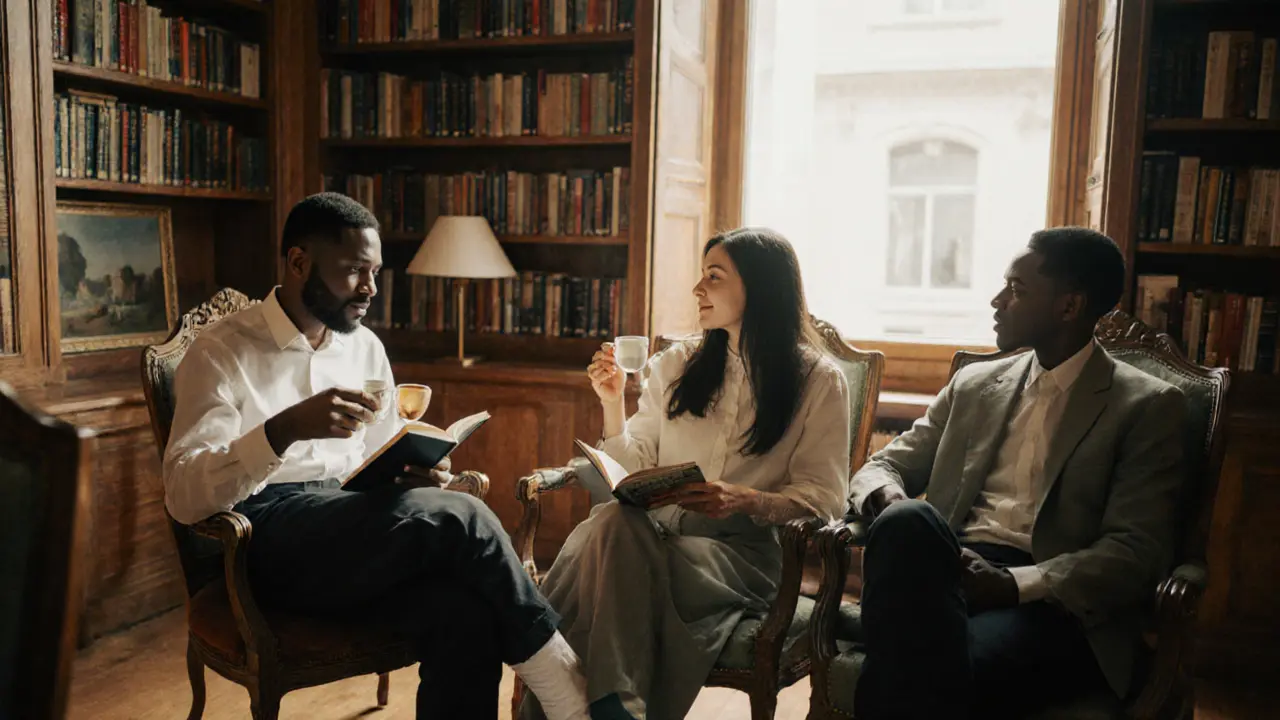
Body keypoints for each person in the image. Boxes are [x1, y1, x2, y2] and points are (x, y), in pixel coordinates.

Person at [162, 193, 592, 720]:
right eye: (354, 272)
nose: (370, 289)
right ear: (299, 262)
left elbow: (377, 453)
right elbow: (184, 496)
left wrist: (417, 471)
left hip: (352, 532)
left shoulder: (362, 346)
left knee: (466, 616)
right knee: (464, 517)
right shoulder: (221, 351)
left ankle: (561, 689)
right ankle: (572, 694)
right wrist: (284, 429)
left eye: (376, 272)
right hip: (265, 541)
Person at [847, 227, 1187, 719]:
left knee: (916, 663)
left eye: (1017, 289)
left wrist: (1012, 584)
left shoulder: (1146, 407)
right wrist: (894, 502)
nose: (996, 300)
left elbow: (1132, 554)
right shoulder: (974, 383)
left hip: (1050, 602)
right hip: (948, 567)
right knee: (906, 523)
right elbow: (880, 468)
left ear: (1069, 307)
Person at [522, 228, 853, 720]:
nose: (698, 290)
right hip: (651, 537)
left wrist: (744, 499)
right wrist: (612, 403)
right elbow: (633, 468)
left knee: (606, 548)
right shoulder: (676, 364)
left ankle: (577, 703)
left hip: (742, 557)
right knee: (617, 526)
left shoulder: (819, 381)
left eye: (713, 278)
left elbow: (824, 498)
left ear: (758, 288)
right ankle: (620, 709)